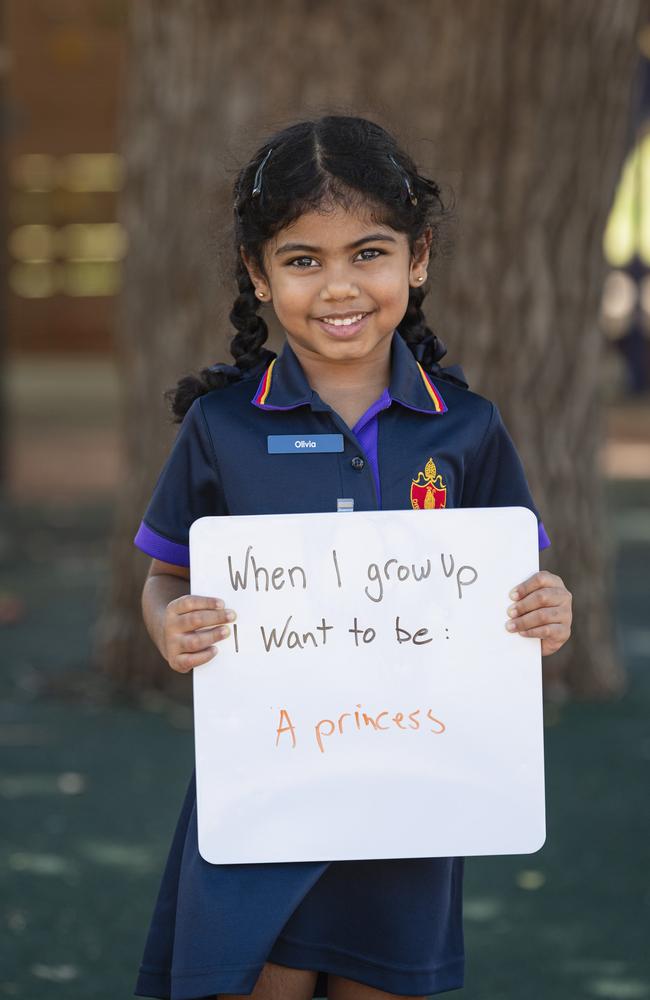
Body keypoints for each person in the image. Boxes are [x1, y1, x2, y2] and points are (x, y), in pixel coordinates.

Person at [132, 115, 572, 1000]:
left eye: (368, 253)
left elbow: (516, 580)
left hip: (414, 796)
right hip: (263, 789)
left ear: (418, 257)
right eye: (303, 260)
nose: (339, 287)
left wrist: (547, 609)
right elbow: (163, 578)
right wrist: (167, 627)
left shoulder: (468, 426)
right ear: (258, 274)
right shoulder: (221, 428)